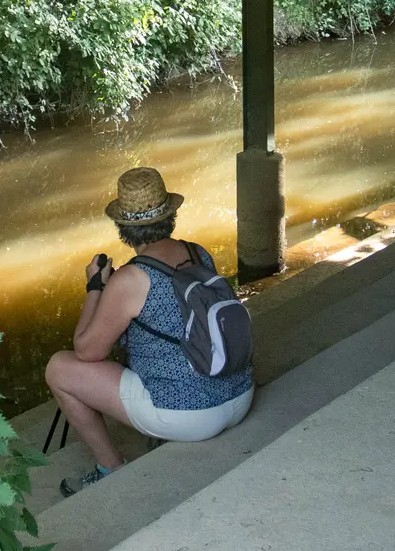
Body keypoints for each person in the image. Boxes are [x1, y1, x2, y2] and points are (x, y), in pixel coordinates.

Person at [43, 167, 255, 497]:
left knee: (59, 368)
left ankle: (109, 468)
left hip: (191, 416)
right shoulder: (198, 253)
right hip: (240, 396)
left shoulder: (131, 279)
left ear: (123, 227)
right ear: (170, 215)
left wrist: (95, 286)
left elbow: (87, 351)